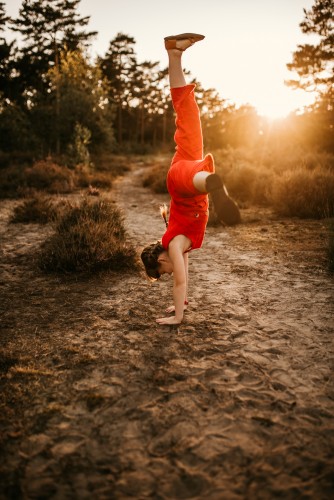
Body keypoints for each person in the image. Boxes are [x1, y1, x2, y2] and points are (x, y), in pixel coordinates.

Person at [141, 33, 240, 325]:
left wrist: (178, 318)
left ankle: (212, 183)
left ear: (160, 261)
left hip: (183, 185)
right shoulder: (176, 248)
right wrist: (179, 305)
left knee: (192, 178)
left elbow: (180, 283)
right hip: (188, 179)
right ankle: (174, 54)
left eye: (162, 273)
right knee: (187, 111)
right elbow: (183, 283)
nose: (168, 275)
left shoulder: (172, 246)